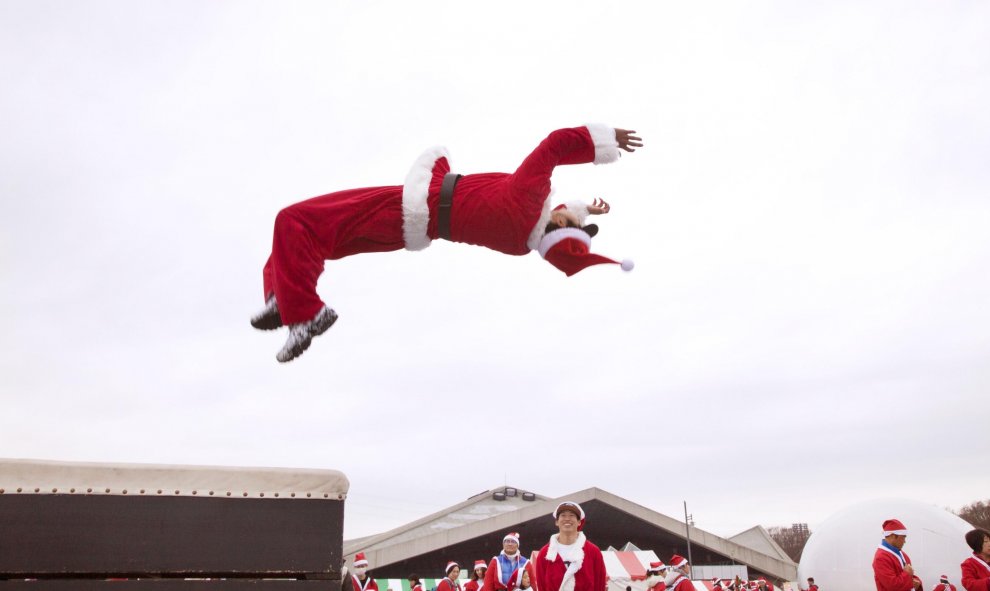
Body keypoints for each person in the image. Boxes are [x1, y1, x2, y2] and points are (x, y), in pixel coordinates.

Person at [251, 124, 643, 362]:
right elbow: (553, 226)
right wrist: (585, 213)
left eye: (568, 216)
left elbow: (555, 144)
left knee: (293, 220)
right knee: (310, 241)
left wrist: (603, 141)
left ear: (559, 220)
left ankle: (305, 313)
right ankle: (282, 299)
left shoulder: (528, 196)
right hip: (408, 232)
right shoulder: (521, 242)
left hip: (402, 206)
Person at [533, 501, 607, 591]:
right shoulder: (545, 553)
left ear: (579, 522)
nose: (567, 519)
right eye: (563, 515)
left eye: (572, 515)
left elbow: (600, 585)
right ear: (556, 522)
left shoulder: (593, 552)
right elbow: (541, 587)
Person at [873, 519, 923, 591]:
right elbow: (892, 586)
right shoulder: (881, 558)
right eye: (903, 537)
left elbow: (911, 576)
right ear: (893, 536)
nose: (905, 541)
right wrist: (907, 574)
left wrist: (917, 582)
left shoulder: (902, 554)